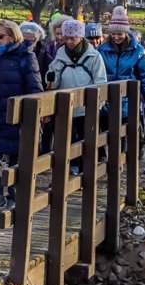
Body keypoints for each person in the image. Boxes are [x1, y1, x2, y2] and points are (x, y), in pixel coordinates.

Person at [0, 18, 43, 214]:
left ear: (12, 36)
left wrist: (31, 114)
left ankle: (15, 196)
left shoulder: (27, 57)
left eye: (0, 36)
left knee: (17, 158)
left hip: (18, 117)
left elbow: (35, 89)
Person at [45, 17, 107, 174]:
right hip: (65, 106)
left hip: (86, 107)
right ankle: (66, 168)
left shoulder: (94, 57)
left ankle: (83, 168)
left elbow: (100, 82)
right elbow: (54, 79)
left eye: (73, 38)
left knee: (84, 139)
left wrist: (96, 105)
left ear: (81, 37)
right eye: (67, 38)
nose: (70, 41)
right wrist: (51, 77)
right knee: (65, 139)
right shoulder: (60, 54)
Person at [98, 6, 145, 126]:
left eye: (119, 34)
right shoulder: (102, 50)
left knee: (126, 140)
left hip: (129, 103)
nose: (116, 37)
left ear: (126, 33)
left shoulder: (138, 51)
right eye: (113, 34)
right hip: (107, 102)